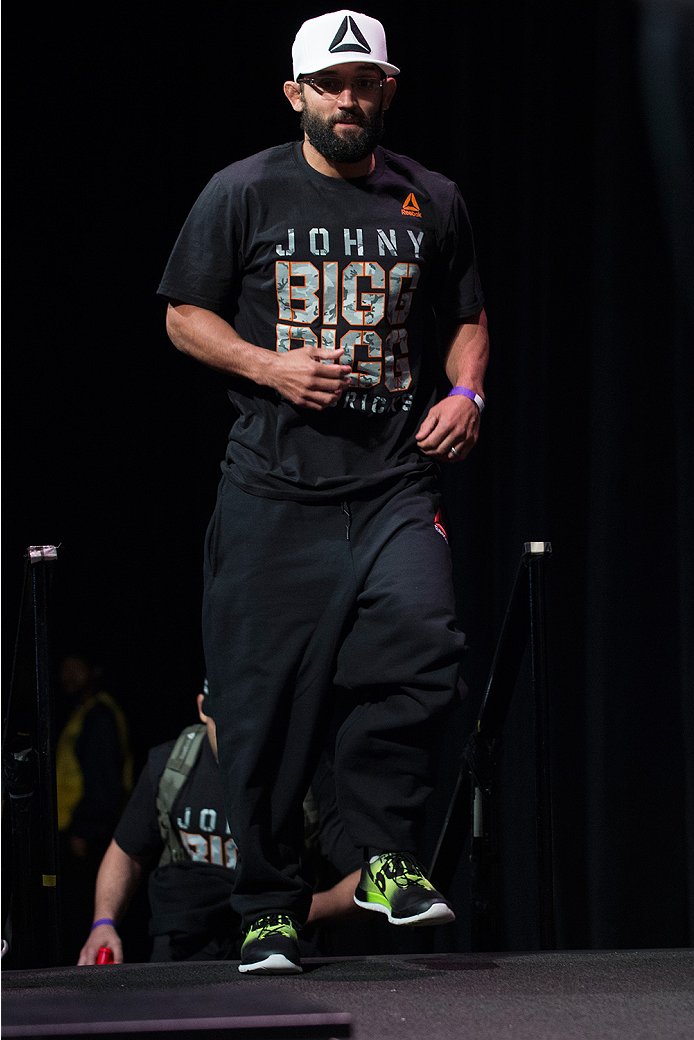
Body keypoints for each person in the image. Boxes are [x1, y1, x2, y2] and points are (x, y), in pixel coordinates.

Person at [157, 9, 488, 975]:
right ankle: (268, 908)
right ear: (297, 95)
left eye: (367, 82)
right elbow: (183, 316)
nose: (351, 99)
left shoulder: (433, 197)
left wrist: (467, 391)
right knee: (259, 707)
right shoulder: (244, 191)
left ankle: (383, 854)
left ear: (389, 89)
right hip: (272, 490)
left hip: (388, 483)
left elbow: (468, 313)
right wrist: (271, 367)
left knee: (424, 648)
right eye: (332, 84)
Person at [78, 685, 363, 964]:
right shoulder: (171, 764)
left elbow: (365, 875)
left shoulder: (302, 773)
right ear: (203, 708)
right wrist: (103, 923)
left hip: (277, 946)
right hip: (186, 947)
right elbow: (126, 851)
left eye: (246, 723)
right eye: (224, 722)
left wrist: (298, 908)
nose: (234, 738)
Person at [55, 651, 133, 962]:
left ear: (95, 670)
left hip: (91, 833)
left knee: (85, 913)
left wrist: (84, 829)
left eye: (77, 667)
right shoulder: (80, 711)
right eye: (65, 668)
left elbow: (104, 783)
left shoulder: (100, 714)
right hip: (78, 829)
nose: (68, 676)